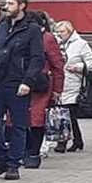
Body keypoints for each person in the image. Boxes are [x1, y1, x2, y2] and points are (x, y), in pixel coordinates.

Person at [0, 0, 42, 180]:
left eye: (10, 3)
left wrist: (28, 81)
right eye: (6, 3)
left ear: (22, 6)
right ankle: (1, 157)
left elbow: (37, 58)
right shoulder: (1, 27)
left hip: (18, 83)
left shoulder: (31, 29)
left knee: (18, 125)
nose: (6, 6)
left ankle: (13, 164)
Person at [24, 11, 66, 166]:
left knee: (36, 119)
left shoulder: (47, 38)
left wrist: (57, 89)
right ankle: (24, 151)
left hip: (40, 84)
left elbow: (57, 65)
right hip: (21, 82)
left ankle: (33, 153)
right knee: (18, 120)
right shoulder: (22, 36)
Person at [54, 21, 92, 153]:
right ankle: (77, 140)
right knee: (66, 114)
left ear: (70, 31)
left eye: (62, 32)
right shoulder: (56, 44)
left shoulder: (81, 44)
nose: (59, 35)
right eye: (57, 32)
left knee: (67, 112)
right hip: (59, 82)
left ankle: (63, 142)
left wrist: (78, 67)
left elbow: (91, 63)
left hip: (73, 82)